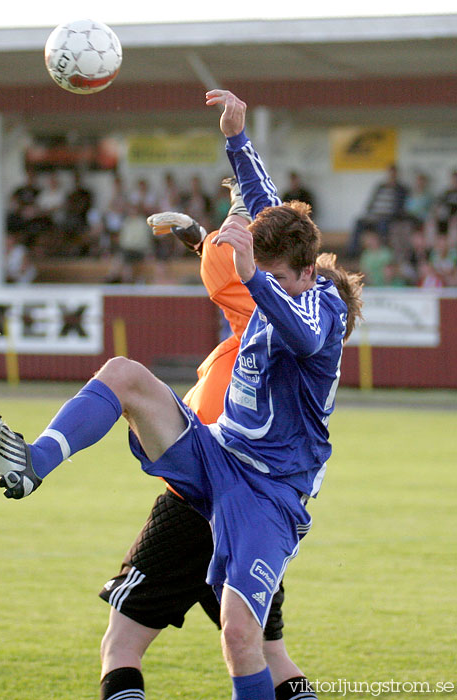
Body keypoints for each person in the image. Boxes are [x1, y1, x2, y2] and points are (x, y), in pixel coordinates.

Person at [0, 89, 363, 700]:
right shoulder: (279, 269)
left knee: (240, 638)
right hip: (218, 454)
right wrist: (236, 136)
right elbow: (262, 204)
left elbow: (303, 338)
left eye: (282, 277)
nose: (267, 283)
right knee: (124, 373)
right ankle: (31, 464)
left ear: (308, 274)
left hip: (270, 489)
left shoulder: (320, 309)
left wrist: (252, 272)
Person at [97, 183, 327, 700]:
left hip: (198, 498)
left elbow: (237, 271)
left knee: (121, 644)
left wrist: (220, 226)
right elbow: (236, 274)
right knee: (269, 653)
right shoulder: (285, 327)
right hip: (259, 508)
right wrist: (202, 239)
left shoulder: (259, 322)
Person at [347, 163, 408, 256]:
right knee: (358, 221)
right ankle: (352, 252)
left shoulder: (401, 189)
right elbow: (371, 204)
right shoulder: (380, 187)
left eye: (393, 173)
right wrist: (370, 214)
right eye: (389, 173)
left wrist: (386, 215)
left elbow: (400, 208)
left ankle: (382, 251)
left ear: (397, 174)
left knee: (383, 223)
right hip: (374, 216)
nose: (391, 175)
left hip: (388, 218)